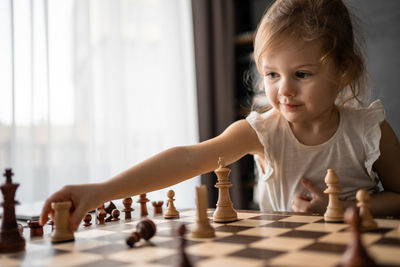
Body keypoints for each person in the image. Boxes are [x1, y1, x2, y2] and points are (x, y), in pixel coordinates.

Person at [40, 0, 400, 231]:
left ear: (343, 70)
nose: (284, 90)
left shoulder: (370, 131)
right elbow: (190, 158)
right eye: (271, 74)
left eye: (301, 74)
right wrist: (101, 192)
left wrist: (343, 206)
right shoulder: (263, 131)